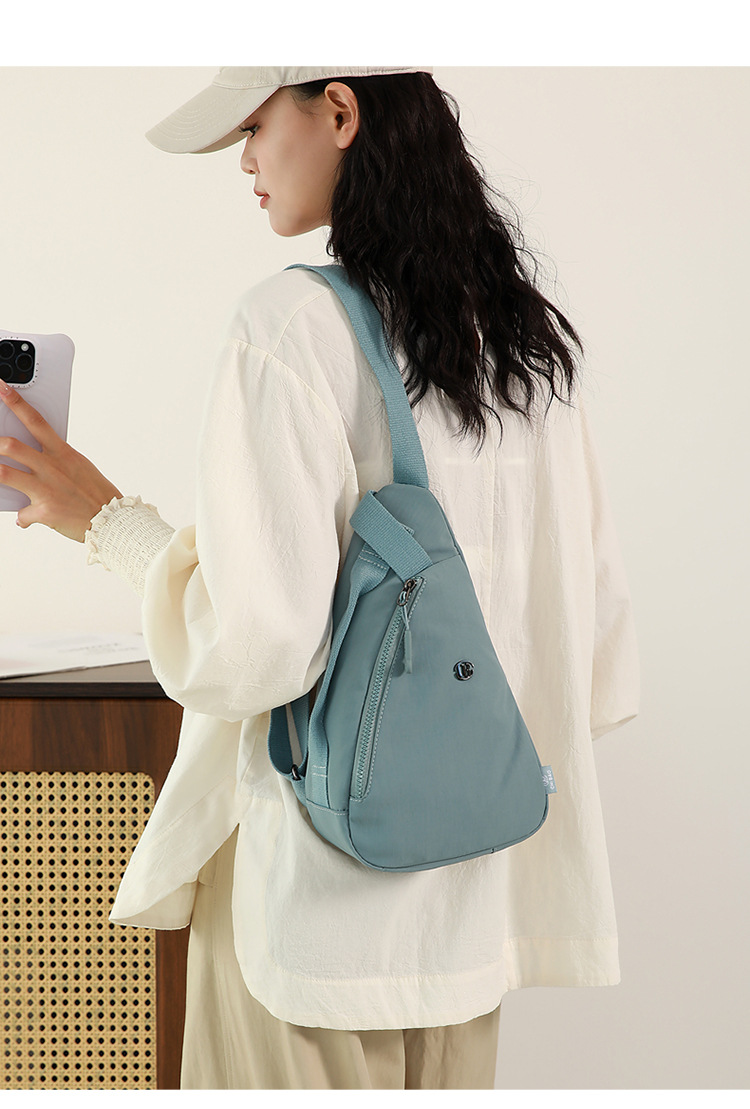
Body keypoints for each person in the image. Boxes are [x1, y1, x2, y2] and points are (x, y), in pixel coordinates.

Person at [0, 67, 639, 1090]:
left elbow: (254, 649)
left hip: (313, 924)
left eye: (254, 126)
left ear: (340, 112)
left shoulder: (291, 327)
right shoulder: (523, 346)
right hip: (471, 923)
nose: (246, 160)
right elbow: (596, 655)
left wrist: (107, 521)